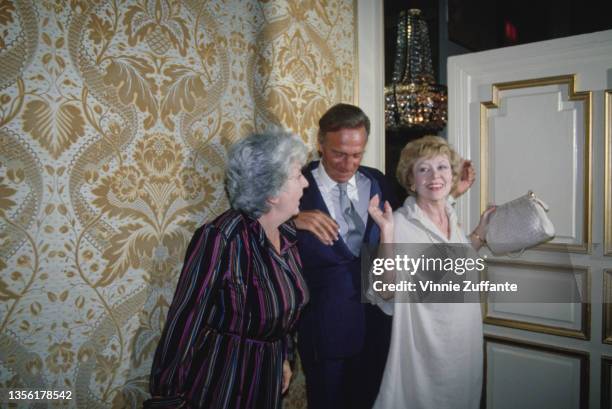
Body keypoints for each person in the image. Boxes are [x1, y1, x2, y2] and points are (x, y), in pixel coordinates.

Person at [145, 131, 310, 409]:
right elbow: (185, 320)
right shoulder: (222, 237)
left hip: (267, 377)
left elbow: (285, 310)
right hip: (224, 379)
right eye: (297, 176)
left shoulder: (289, 236)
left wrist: (283, 356)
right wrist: (168, 397)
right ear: (271, 192)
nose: (306, 183)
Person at [367, 135, 495, 409]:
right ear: (411, 180)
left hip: (464, 338)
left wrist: (479, 233)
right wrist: (387, 234)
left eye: (442, 167)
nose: (434, 176)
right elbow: (384, 290)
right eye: (423, 169)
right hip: (427, 347)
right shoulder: (401, 224)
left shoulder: (449, 214)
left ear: (452, 174)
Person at [293, 103, 396, 409]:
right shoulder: (295, 184)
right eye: (339, 153)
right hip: (324, 332)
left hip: (377, 326)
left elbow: (411, 215)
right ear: (320, 144)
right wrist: (292, 219)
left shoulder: (378, 182)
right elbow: (254, 224)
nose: (348, 163)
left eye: (357, 154)